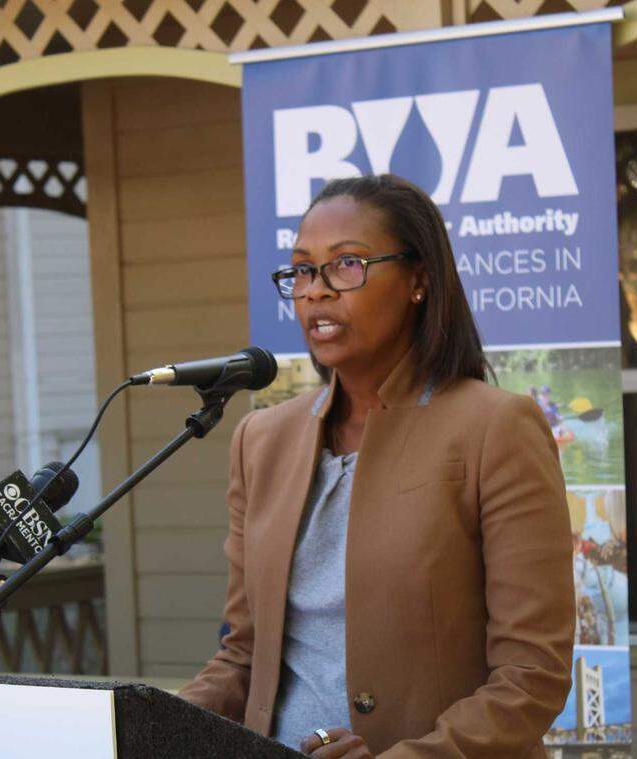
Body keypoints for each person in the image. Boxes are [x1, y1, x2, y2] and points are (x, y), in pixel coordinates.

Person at [178, 174, 575, 758]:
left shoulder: (496, 428)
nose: (316, 292)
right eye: (302, 271)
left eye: (347, 265)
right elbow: (242, 656)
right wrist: (142, 724)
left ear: (419, 280)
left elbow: (531, 675)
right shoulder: (261, 440)